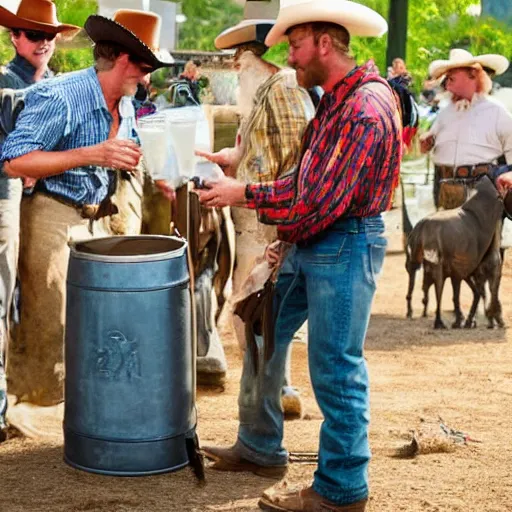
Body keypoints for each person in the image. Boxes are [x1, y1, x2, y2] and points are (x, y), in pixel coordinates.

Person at [195, 0, 401, 510]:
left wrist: (244, 194)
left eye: (296, 43)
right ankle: (261, 445)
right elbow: (309, 184)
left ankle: (341, 488)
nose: (289, 54)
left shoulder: (361, 108)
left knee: (335, 365)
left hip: (344, 242)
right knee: (261, 329)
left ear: (324, 43)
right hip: (319, 238)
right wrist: (287, 234)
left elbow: (316, 198)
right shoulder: (336, 101)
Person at [1, 8, 173, 407]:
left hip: (97, 219)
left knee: (97, 322)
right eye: (146, 67)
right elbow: (13, 159)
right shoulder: (62, 97)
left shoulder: (126, 104)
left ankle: (84, 409)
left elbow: (124, 154)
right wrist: (91, 154)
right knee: (51, 324)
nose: (148, 79)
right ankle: (35, 410)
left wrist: (162, 173)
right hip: (52, 215)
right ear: (126, 60)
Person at [197, 0, 315, 420]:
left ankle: (273, 393)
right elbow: (263, 152)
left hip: (269, 220)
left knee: (260, 308)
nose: (232, 69)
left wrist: (284, 221)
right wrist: (230, 159)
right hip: (253, 214)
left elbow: (298, 155)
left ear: (248, 57)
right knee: (251, 308)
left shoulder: (282, 87)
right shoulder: (264, 93)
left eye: (235, 61)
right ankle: (267, 393)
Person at [0, 0, 80, 441]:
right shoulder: (7, 84)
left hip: (45, 205)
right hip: (8, 201)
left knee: (30, 303)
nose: (43, 42)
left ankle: (21, 398)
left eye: (48, 35)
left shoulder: (56, 85)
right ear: (14, 37)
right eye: (33, 35)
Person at [420, 49, 512, 210]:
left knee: (483, 235)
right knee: (445, 235)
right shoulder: (446, 111)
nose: (447, 82)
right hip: (446, 189)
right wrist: (428, 140)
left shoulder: (496, 110)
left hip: (481, 191)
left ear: (473, 75)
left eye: (452, 76)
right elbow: (431, 140)